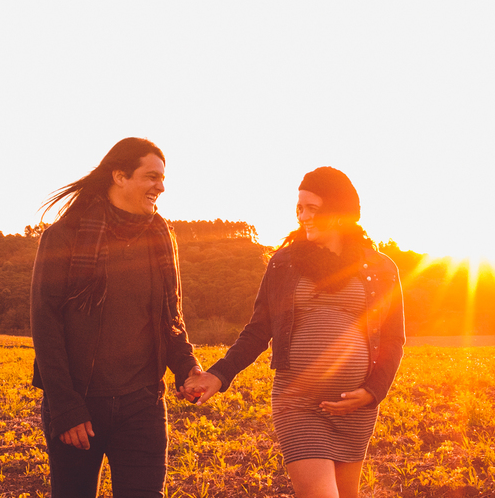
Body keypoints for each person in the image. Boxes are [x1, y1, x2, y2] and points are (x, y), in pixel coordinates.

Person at [182, 167, 405, 498]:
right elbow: (259, 330)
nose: (303, 216)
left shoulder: (381, 267)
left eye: (312, 208)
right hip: (297, 403)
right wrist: (219, 373)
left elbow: (393, 340)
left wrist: (374, 391)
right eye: (299, 208)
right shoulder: (284, 263)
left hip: (354, 410)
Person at [30, 137, 201, 498]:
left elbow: (170, 318)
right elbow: (46, 327)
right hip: (80, 404)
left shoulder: (160, 235)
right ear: (119, 176)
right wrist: (66, 408)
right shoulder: (64, 237)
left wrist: (187, 368)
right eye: (151, 176)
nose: (161, 186)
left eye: (162, 178)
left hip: (142, 404)